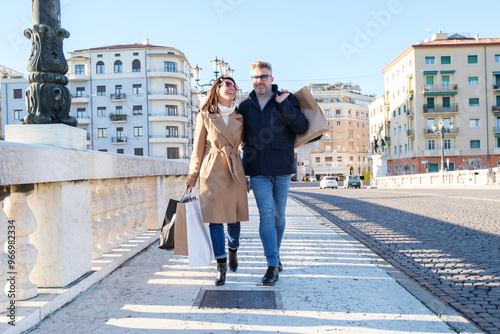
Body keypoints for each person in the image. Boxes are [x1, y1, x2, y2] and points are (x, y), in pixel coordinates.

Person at [238, 61, 309, 286]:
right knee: (266, 215)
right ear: (251, 80)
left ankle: (275, 255)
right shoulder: (245, 106)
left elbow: (301, 127)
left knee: (279, 216)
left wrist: (284, 104)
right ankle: (271, 264)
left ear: (271, 77)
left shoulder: (286, 99)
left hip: (282, 167)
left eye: (264, 76)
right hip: (257, 168)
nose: (259, 81)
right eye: (255, 77)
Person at [185, 77, 249, 286]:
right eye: (228, 84)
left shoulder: (241, 116)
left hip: (234, 169)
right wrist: (192, 177)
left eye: (234, 85)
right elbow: (197, 149)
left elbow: (249, 144)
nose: (232, 88)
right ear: (218, 89)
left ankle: (233, 250)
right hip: (211, 169)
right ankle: (221, 265)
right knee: (215, 219)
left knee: (234, 219)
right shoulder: (205, 116)